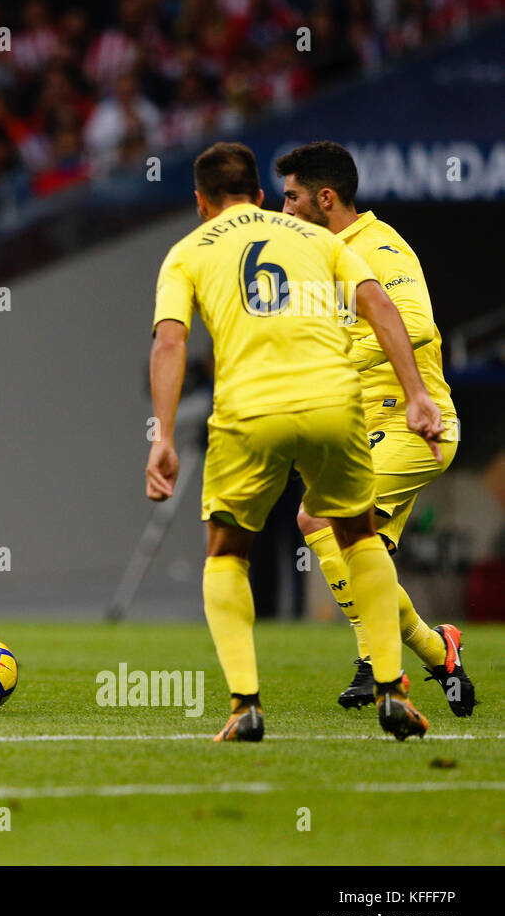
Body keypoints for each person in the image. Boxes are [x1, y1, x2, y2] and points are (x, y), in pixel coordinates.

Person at [145, 142, 443, 742]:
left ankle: (245, 705)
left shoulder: (186, 253)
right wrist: (417, 395)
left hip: (249, 411)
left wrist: (161, 436)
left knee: (227, 549)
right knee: (358, 534)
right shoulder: (319, 239)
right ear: (258, 195)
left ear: (201, 202)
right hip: (335, 402)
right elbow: (382, 305)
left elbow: (171, 343)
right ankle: (391, 690)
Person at [275, 141, 474, 717]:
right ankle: (438, 652)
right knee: (364, 550)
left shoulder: (381, 247)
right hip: (361, 431)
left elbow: (413, 321)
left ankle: (378, 662)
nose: (285, 210)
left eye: (292, 197)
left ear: (326, 197)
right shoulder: (319, 258)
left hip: (417, 423)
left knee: (319, 518)